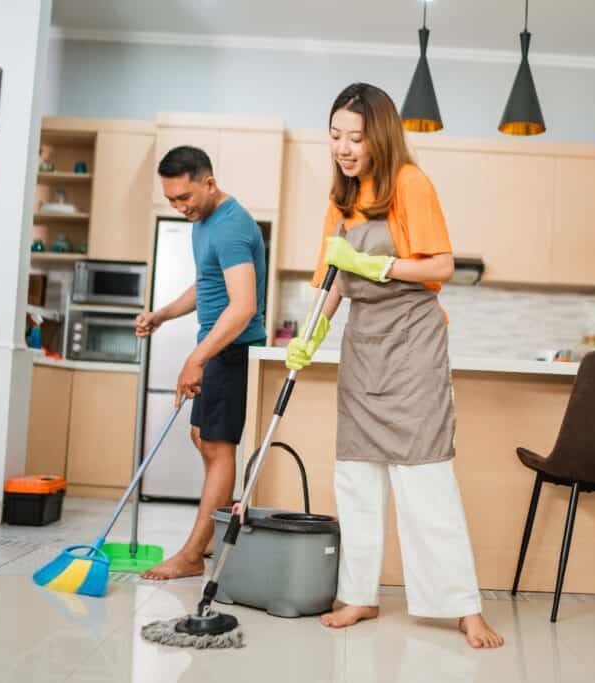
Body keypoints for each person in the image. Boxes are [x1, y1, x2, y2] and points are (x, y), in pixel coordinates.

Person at [286, 83, 504, 649]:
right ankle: (358, 594)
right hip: (364, 348)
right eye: (335, 136)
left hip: (412, 346)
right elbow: (332, 282)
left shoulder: (410, 182)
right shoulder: (340, 200)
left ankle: (462, 607)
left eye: (355, 137)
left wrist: (376, 265)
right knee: (356, 478)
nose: (343, 147)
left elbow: (442, 265)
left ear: (378, 135)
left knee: (425, 478)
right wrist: (310, 335)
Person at [135, 145, 267, 580]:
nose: (179, 207)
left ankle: (193, 554)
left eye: (184, 198)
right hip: (215, 350)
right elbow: (206, 285)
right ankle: (202, 546)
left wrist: (196, 358)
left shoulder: (231, 227)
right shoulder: (204, 221)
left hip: (230, 351)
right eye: (171, 200)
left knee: (216, 445)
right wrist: (161, 315)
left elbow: (243, 306)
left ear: (209, 183)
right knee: (202, 437)